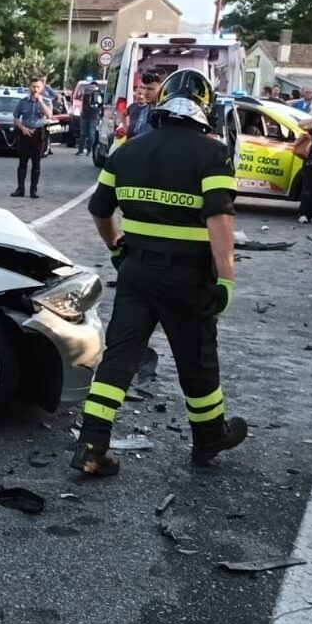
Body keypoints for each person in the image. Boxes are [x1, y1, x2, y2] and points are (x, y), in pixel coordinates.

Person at [71, 68, 247, 478]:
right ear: (205, 108)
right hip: (189, 277)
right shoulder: (213, 155)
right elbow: (219, 219)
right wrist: (226, 279)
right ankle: (208, 440)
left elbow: (99, 211)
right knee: (196, 360)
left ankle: (92, 445)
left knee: (119, 358)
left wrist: (117, 247)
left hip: (136, 272)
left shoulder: (127, 151)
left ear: (162, 104)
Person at [11, 75, 54, 198]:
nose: (35, 89)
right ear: (30, 87)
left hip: (38, 133)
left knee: (36, 163)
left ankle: (33, 190)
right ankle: (20, 189)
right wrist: (23, 128)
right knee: (22, 162)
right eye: (33, 86)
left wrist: (40, 101)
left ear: (42, 88)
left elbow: (49, 115)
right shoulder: (23, 102)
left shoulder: (46, 101)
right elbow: (15, 118)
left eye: (38, 87)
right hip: (25, 133)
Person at [76, 76, 104, 156]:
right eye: (91, 87)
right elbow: (78, 97)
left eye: (93, 87)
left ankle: (89, 150)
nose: (91, 89)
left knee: (91, 134)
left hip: (94, 116)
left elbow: (101, 104)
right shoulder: (86, 94)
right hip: (84, 116)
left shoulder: (99, 94)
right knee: (83, 134)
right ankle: (81, 150)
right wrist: (85, 92)